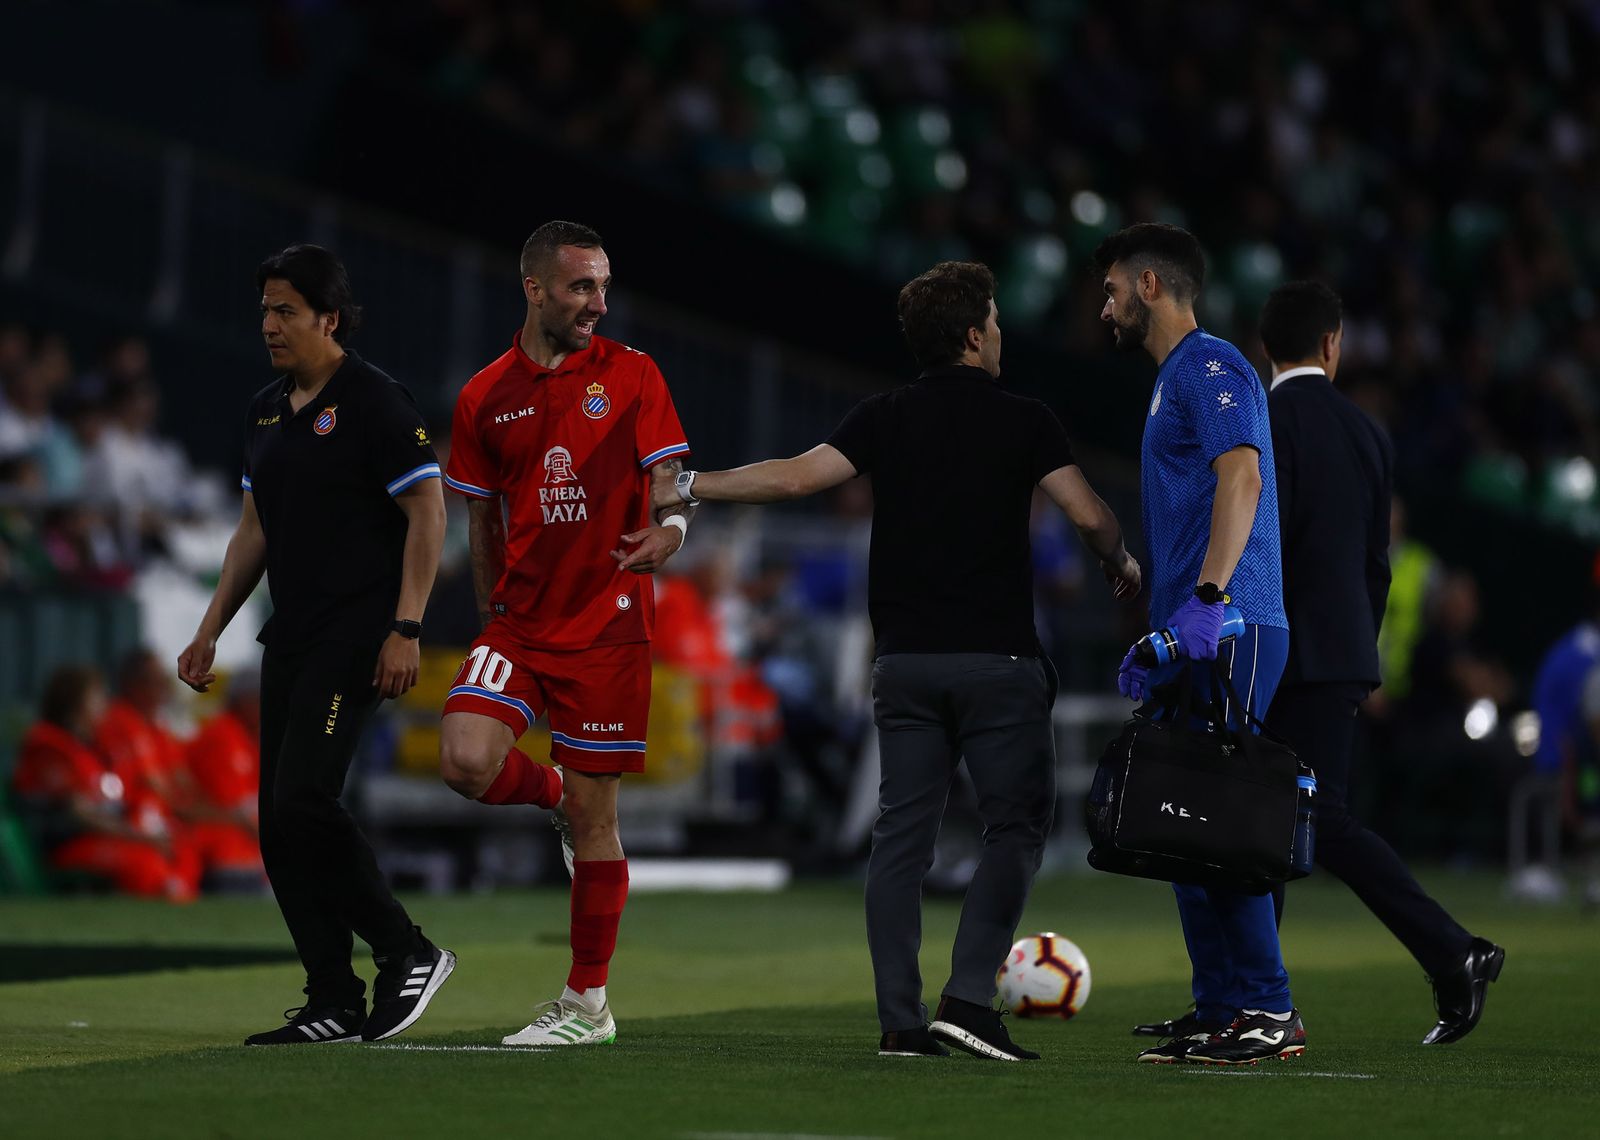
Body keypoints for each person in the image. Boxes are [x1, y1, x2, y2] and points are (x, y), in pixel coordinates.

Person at [655, 260, 1141, 1061]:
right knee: (1015, 828)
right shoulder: (1026, 419)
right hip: (998, 663)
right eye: (994, 321)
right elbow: (1087, 514)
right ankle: (971, 1001)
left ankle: (901, 1025)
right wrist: (1120, 562)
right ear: (977, 334)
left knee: (901, 838)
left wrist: (689, 486)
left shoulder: (884, 415)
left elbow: (793, 478)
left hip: (906, 664)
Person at [177, 244, 453, 1046]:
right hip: (290, 633)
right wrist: (207, 631)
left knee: (303, 799)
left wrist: (406, 627)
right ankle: (333, 996)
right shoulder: (266, 410)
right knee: (276, 822)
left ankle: (407, 949)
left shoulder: (375, 401)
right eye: (265, 308)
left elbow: (429, 513)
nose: (270, 324)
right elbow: (252, 532)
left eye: (286, 310)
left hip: (359, 632)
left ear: (330, 318)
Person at [436, 220, 695, 1048]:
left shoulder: (633, 374)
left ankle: (588, 1003)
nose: (598, 304)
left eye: (603, 287)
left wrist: (675, 531)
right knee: (464, 758)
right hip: (520, 623)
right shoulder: (483, 395)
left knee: (598, 823)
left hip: (609, 628)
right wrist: (489, 620)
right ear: (535, 288)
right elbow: (482, 520)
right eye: (582, 287)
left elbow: (670, 484)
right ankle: (547, 795)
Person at [1265, 280, 1502, 1044]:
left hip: (1278, 651)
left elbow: (1267, 548)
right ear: (1332, 345)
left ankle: (1452, 951)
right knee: (1275, 822)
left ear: (1266, 347)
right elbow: (1377, 563)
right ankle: (1247, 993)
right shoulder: (1369, 433)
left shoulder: (1263, 423)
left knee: (1301, 819)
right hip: (1341, 656)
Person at [1097, 223, 1303, 1065]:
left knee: (1223, 819)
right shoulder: (1174, 379)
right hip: (1196, 623)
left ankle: (1269, 1009)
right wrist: (1168, 626)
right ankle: (1221, 1004)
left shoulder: (1213, 366)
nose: (1102, 307)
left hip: (1235, 619)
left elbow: (1243, 477)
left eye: (1110, 289)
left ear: (1151, 284)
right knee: (1180, 821)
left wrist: (1209, 603)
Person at [11, 665, 201, 901]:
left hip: (104, 836)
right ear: (75, 705)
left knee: (180, 847)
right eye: (97, 699)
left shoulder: (90, 747)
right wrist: (140, 837)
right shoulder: (49, 744)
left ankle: (178, 904)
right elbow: (79, 814)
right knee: (145, 863)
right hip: (66, 844)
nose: (104, 707)